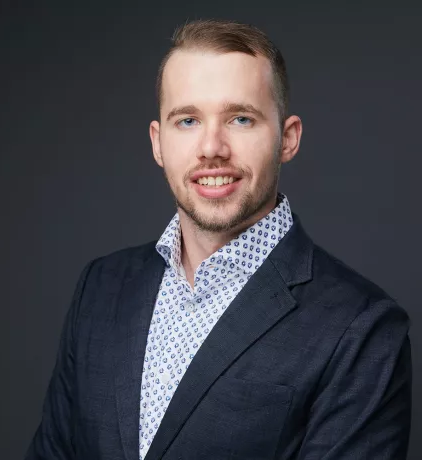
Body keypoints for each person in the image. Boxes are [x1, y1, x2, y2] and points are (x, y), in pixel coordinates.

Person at [25, 19, 412, 460]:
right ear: (158, 143)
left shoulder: (362, 329)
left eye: (241, 119)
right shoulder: (100, 287)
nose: (211, 147)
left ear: (287, 139)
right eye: (187, 120)